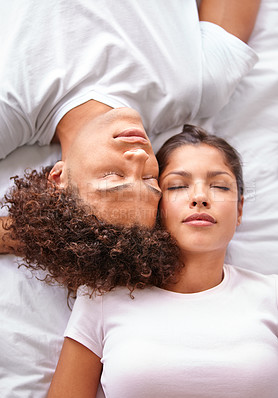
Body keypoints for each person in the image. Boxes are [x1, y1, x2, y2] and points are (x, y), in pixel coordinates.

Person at [47, 125, 278, 398]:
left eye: (219, 185)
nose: (200, 197)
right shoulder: (101, 298)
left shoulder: (271, 295)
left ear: (239, 210)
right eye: (178, 186)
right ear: (156, 205)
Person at [0, 0, 261, 237]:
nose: (140, 158)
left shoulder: (9, 110)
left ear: (59, 178)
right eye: (150, 181)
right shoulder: (201, 89)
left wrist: (46, 234)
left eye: (113, 177)